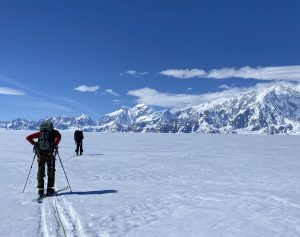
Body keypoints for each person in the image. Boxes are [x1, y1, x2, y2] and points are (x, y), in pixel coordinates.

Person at [26, 121, 61, 196]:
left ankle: (40, 189)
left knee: (40, 171)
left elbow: (28, 137)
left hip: (40, 155)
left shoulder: (40, 133)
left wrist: (35, 143)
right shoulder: (54, 133)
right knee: (51, 171)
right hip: (50, 155)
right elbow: (59, 137)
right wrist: (55, 145)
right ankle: (50, 188)